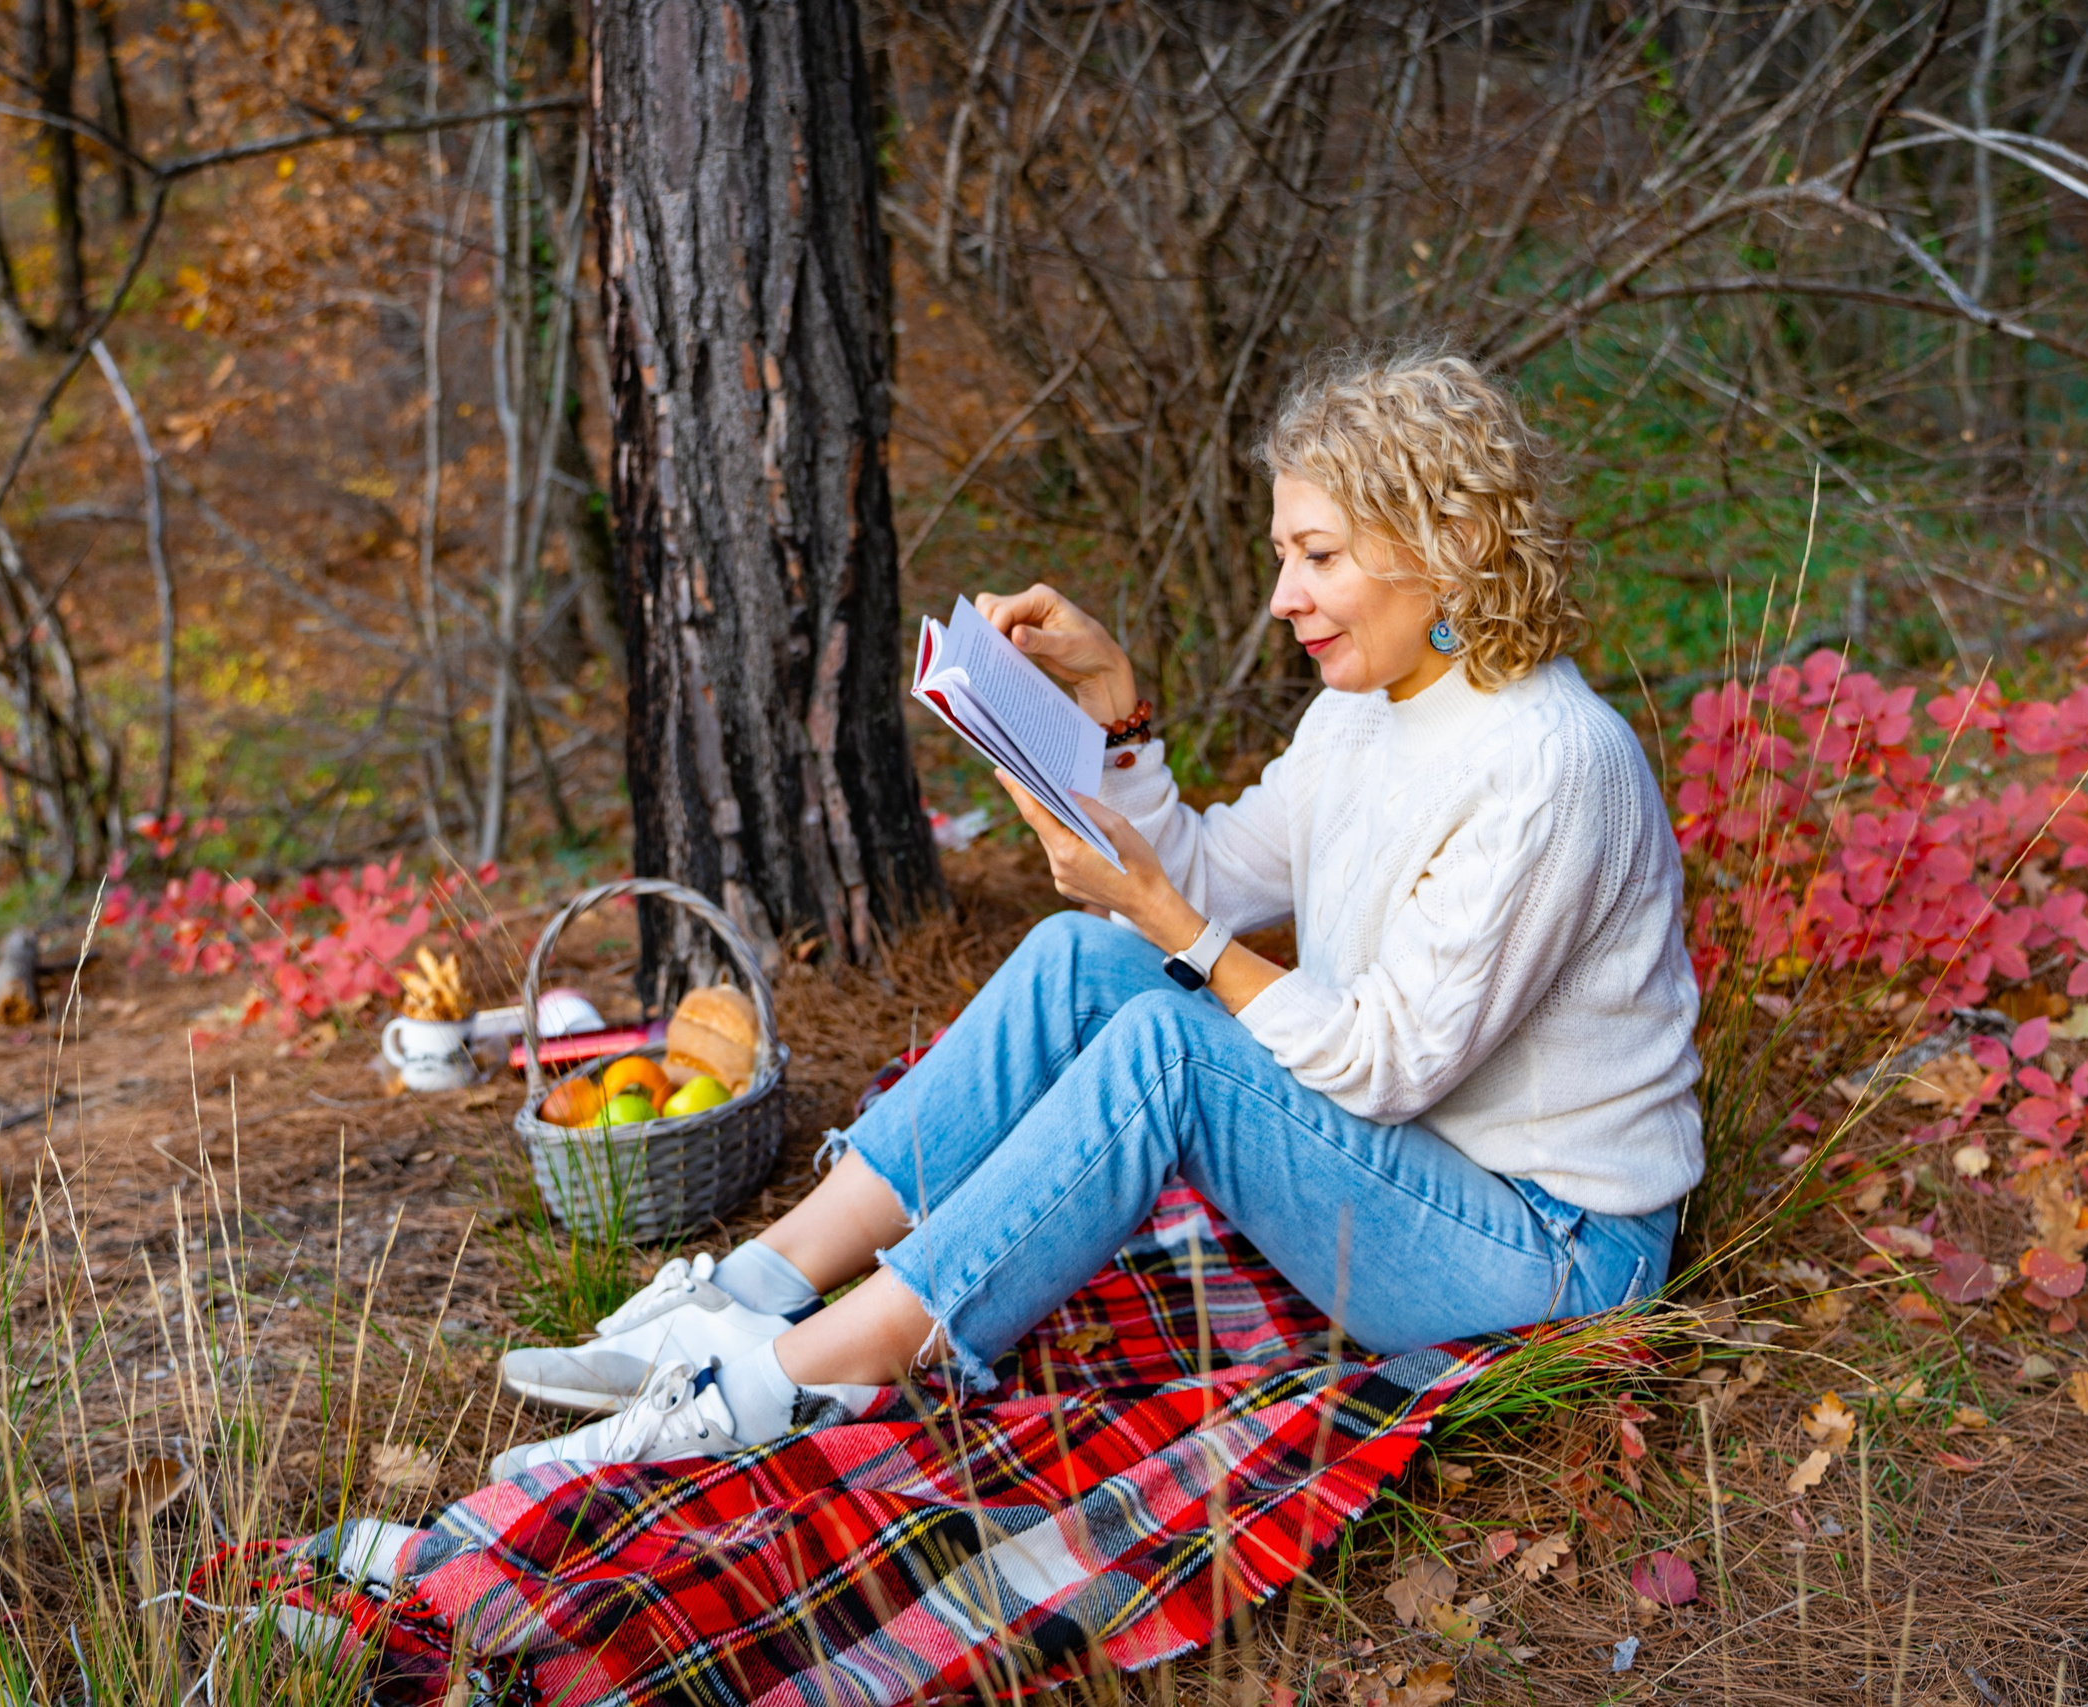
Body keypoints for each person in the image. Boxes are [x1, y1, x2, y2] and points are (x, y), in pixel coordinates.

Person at [490, 342, 1703, 1477]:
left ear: (1447, 544)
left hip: (1549, 1253)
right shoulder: (1360, 711)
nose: (1283, 596)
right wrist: (1116, 711)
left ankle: (802, 1379)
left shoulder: (1549, 762)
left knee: (1170, 1047)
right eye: (1283, 555)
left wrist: (1177, 930)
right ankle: (750, 1295)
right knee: (1079, 955)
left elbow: (1386, 1066)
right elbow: (1211, 878)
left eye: (1319, 556)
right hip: (1409, 1172)